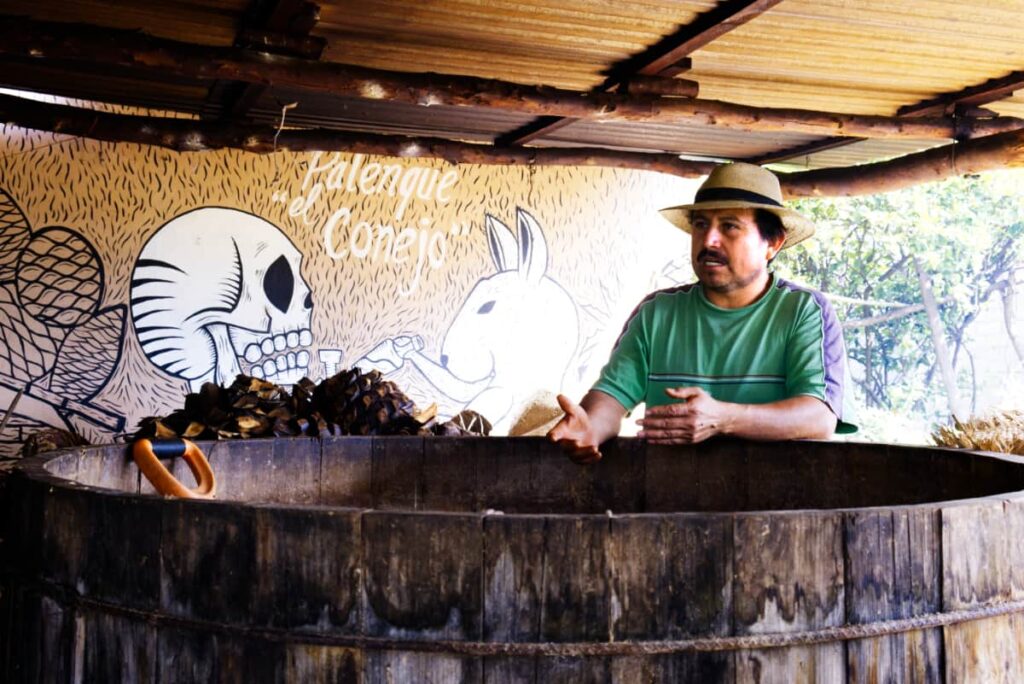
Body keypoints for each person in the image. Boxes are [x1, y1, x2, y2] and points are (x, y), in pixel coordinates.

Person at [549, 162, 857, 464]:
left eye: (729, 226)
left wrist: (723, 419)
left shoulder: (803, 311)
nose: (709, 240)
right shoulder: (657, 312)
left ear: (772, 244)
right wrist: (590, 427)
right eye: (700, 225)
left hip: (774, 495)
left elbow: (819, 418)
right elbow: (611, 398)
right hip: (669, 492)